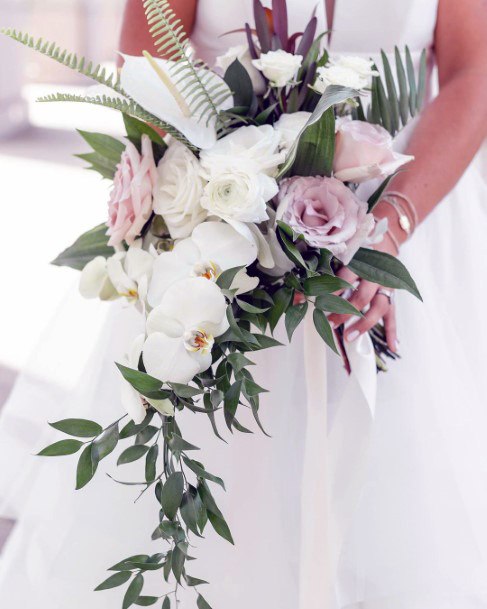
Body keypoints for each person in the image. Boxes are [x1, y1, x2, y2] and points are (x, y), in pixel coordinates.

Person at [0, 1, 486, 607]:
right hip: (226, 233)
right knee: (222, 490)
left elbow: (474, 70)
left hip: (409, 216)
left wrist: (387, 230)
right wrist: (202, 204)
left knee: (401, 500)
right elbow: (151, 50)